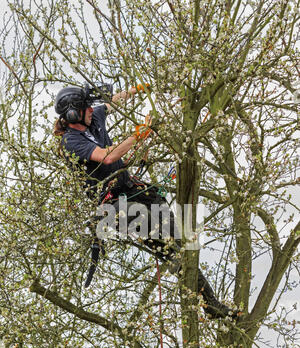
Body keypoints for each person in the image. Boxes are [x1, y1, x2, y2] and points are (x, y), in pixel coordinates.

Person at [54, 83, 238, 320]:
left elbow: (112, 102)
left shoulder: (94, 119)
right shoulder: (70, 141)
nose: (92, 109)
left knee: (179, 237)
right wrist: (140, 133)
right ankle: (207, 303)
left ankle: (207, 298)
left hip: (131, 189)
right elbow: (107, 157)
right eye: (86, 107)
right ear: (72, 114)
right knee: (169, 248)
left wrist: (137, 90)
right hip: (114, 207)